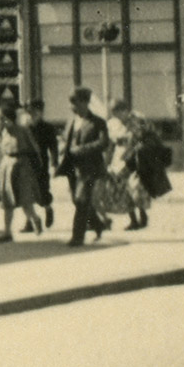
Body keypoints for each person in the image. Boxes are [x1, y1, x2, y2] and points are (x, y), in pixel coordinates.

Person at [57, 87, 109, 247]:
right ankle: (98, 224)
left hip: (90, 168)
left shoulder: (98, 122)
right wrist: (62, 147)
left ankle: (77, 237)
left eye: (76, 103)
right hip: (72, 167)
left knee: (81, 200)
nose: (73, 107)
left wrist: (82, 149)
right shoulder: (71, 121)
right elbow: (66, 140)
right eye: (71, 104)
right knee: (77, 200)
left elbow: (103, 143)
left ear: (86, 103)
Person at [109, 101, 172, 229]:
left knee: (138, 187)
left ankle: (143, 216)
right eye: (115, 114)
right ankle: (133, 219)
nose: (118, 117)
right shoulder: (114, 123)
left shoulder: (138, 119)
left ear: (125, 110)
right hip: (121, 159)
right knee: (122, 188)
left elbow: (145, 136)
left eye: (119, 113)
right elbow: (112, 140)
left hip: (138, 158)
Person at [0, 93, 43, 243]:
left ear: (8, 118)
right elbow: (3, 150)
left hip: (23, 167)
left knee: (26, 201)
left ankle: (35, 219)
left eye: (1, 119)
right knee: (7, 202)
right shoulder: (1, 133)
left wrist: (38, 167)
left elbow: (34, 149)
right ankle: (7, 232)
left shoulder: (23, 130)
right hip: (7, 167)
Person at [25, 98, 60, 231]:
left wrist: (54, 163)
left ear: (41, 112)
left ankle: (48, 208)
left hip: (41, 164)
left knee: (42, 191)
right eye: (29, 111)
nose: (31, 114)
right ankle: (29, 222)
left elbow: (53, 147)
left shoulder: (48, 128)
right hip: (27, 164)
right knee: (26, 192)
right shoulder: (26, 128)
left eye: (34, 111)